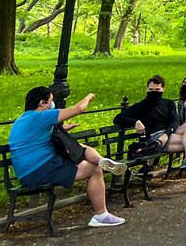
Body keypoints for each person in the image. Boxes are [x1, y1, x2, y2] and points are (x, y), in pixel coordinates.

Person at [8, 87, 127, 227]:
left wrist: (66, 129)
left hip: (28, 172)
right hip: (40, 170)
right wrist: (89, 96)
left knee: (78, 146)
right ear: (42, 103)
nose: (53, 104)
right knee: (94, 169)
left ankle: (101, 161)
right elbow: (78, 109)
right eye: (51, 101)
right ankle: (101, 215)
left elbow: (34, 139)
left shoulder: (24, 119)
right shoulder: (40, 116)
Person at [114, 75, 186, 169]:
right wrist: (136, 122)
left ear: (163, 89)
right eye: (151, 89)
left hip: (168, 134)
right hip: (155, 139)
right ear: (147, 89)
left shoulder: (168, 103)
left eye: (157, 89)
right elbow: (118, 118)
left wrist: (166, 134)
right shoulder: (140, 106)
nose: (154, 92)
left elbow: (174, 121)